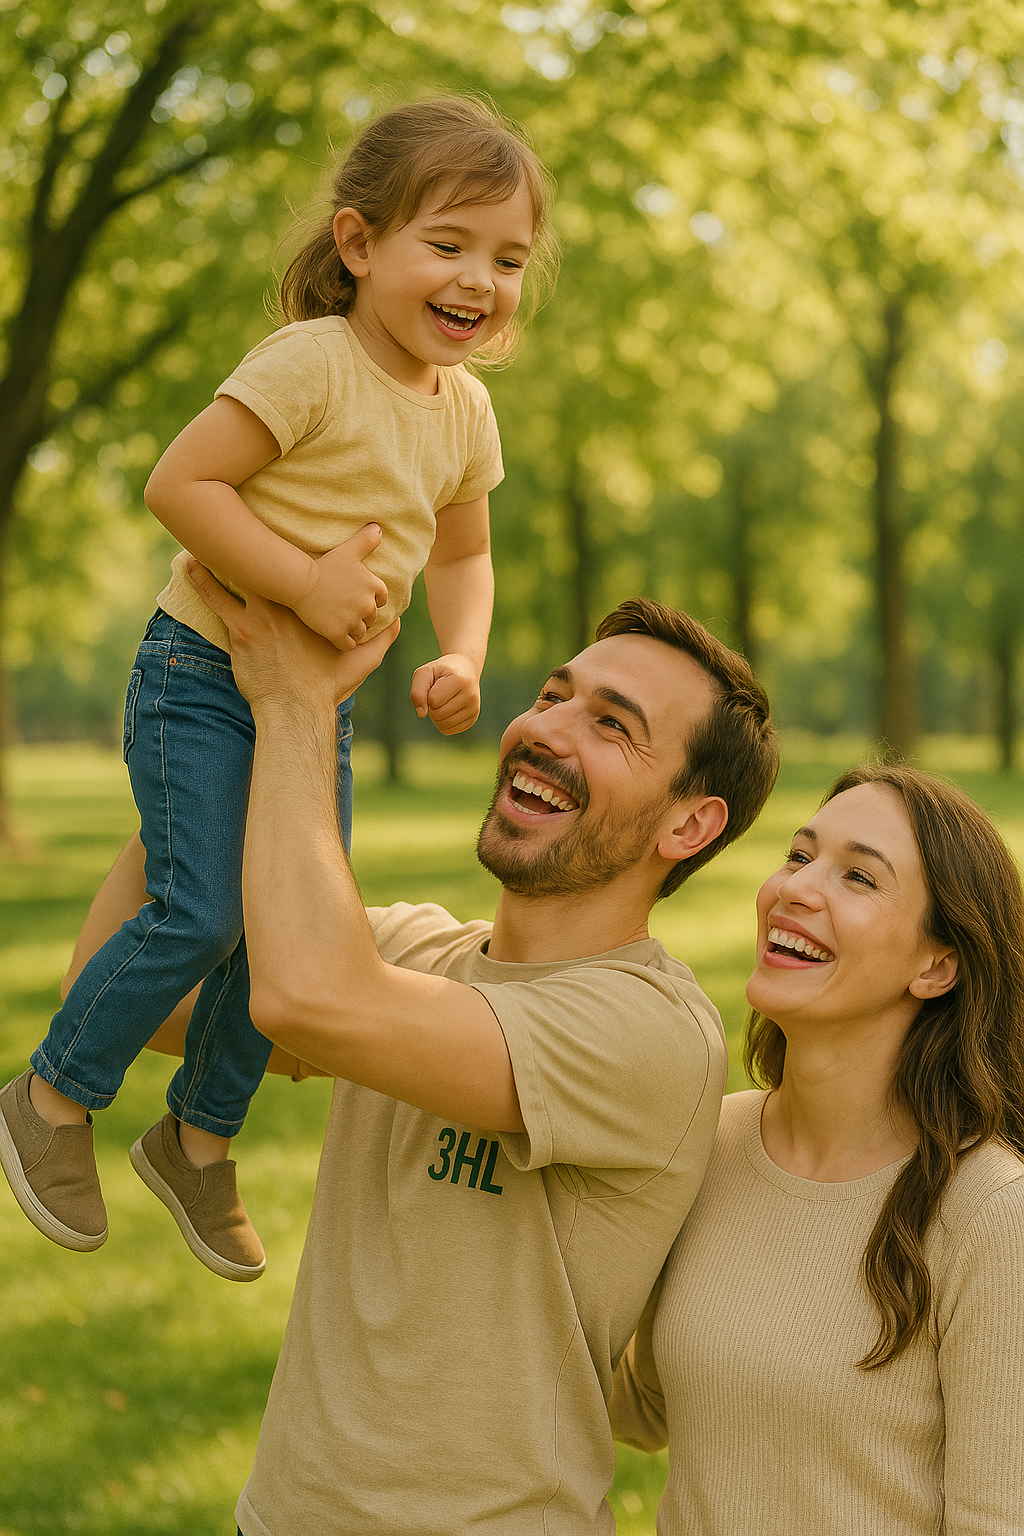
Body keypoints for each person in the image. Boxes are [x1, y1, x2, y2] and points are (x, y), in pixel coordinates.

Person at [50, 577, 777, 1533]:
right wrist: (207, 721)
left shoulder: (649, 1029)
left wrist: (297, 702)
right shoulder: (411, 954)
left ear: (690, 824)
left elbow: (313, 995)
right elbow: (127, 994)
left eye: (613, 726)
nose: (549, 729)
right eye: (554, 695)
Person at [0, 98, 556, 1282]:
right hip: (204, 672)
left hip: (314, 700)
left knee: (299, 930)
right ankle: (50, 1097)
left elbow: (462, 554)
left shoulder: (464, 410)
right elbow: (182, 484)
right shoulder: (312, 363)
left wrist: (460, 653)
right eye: (447, 246)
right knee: (204, 909)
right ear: (358, 246)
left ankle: (198, 1139)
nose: (480, 281)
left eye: (507, 259)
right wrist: (305, 581)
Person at [610, 764, 1024, 1536]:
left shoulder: (994, 1215)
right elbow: (634, 1403)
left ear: (937, 966)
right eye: (800, 857)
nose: (797, 888)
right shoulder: (704, 1142)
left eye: (860, 878)